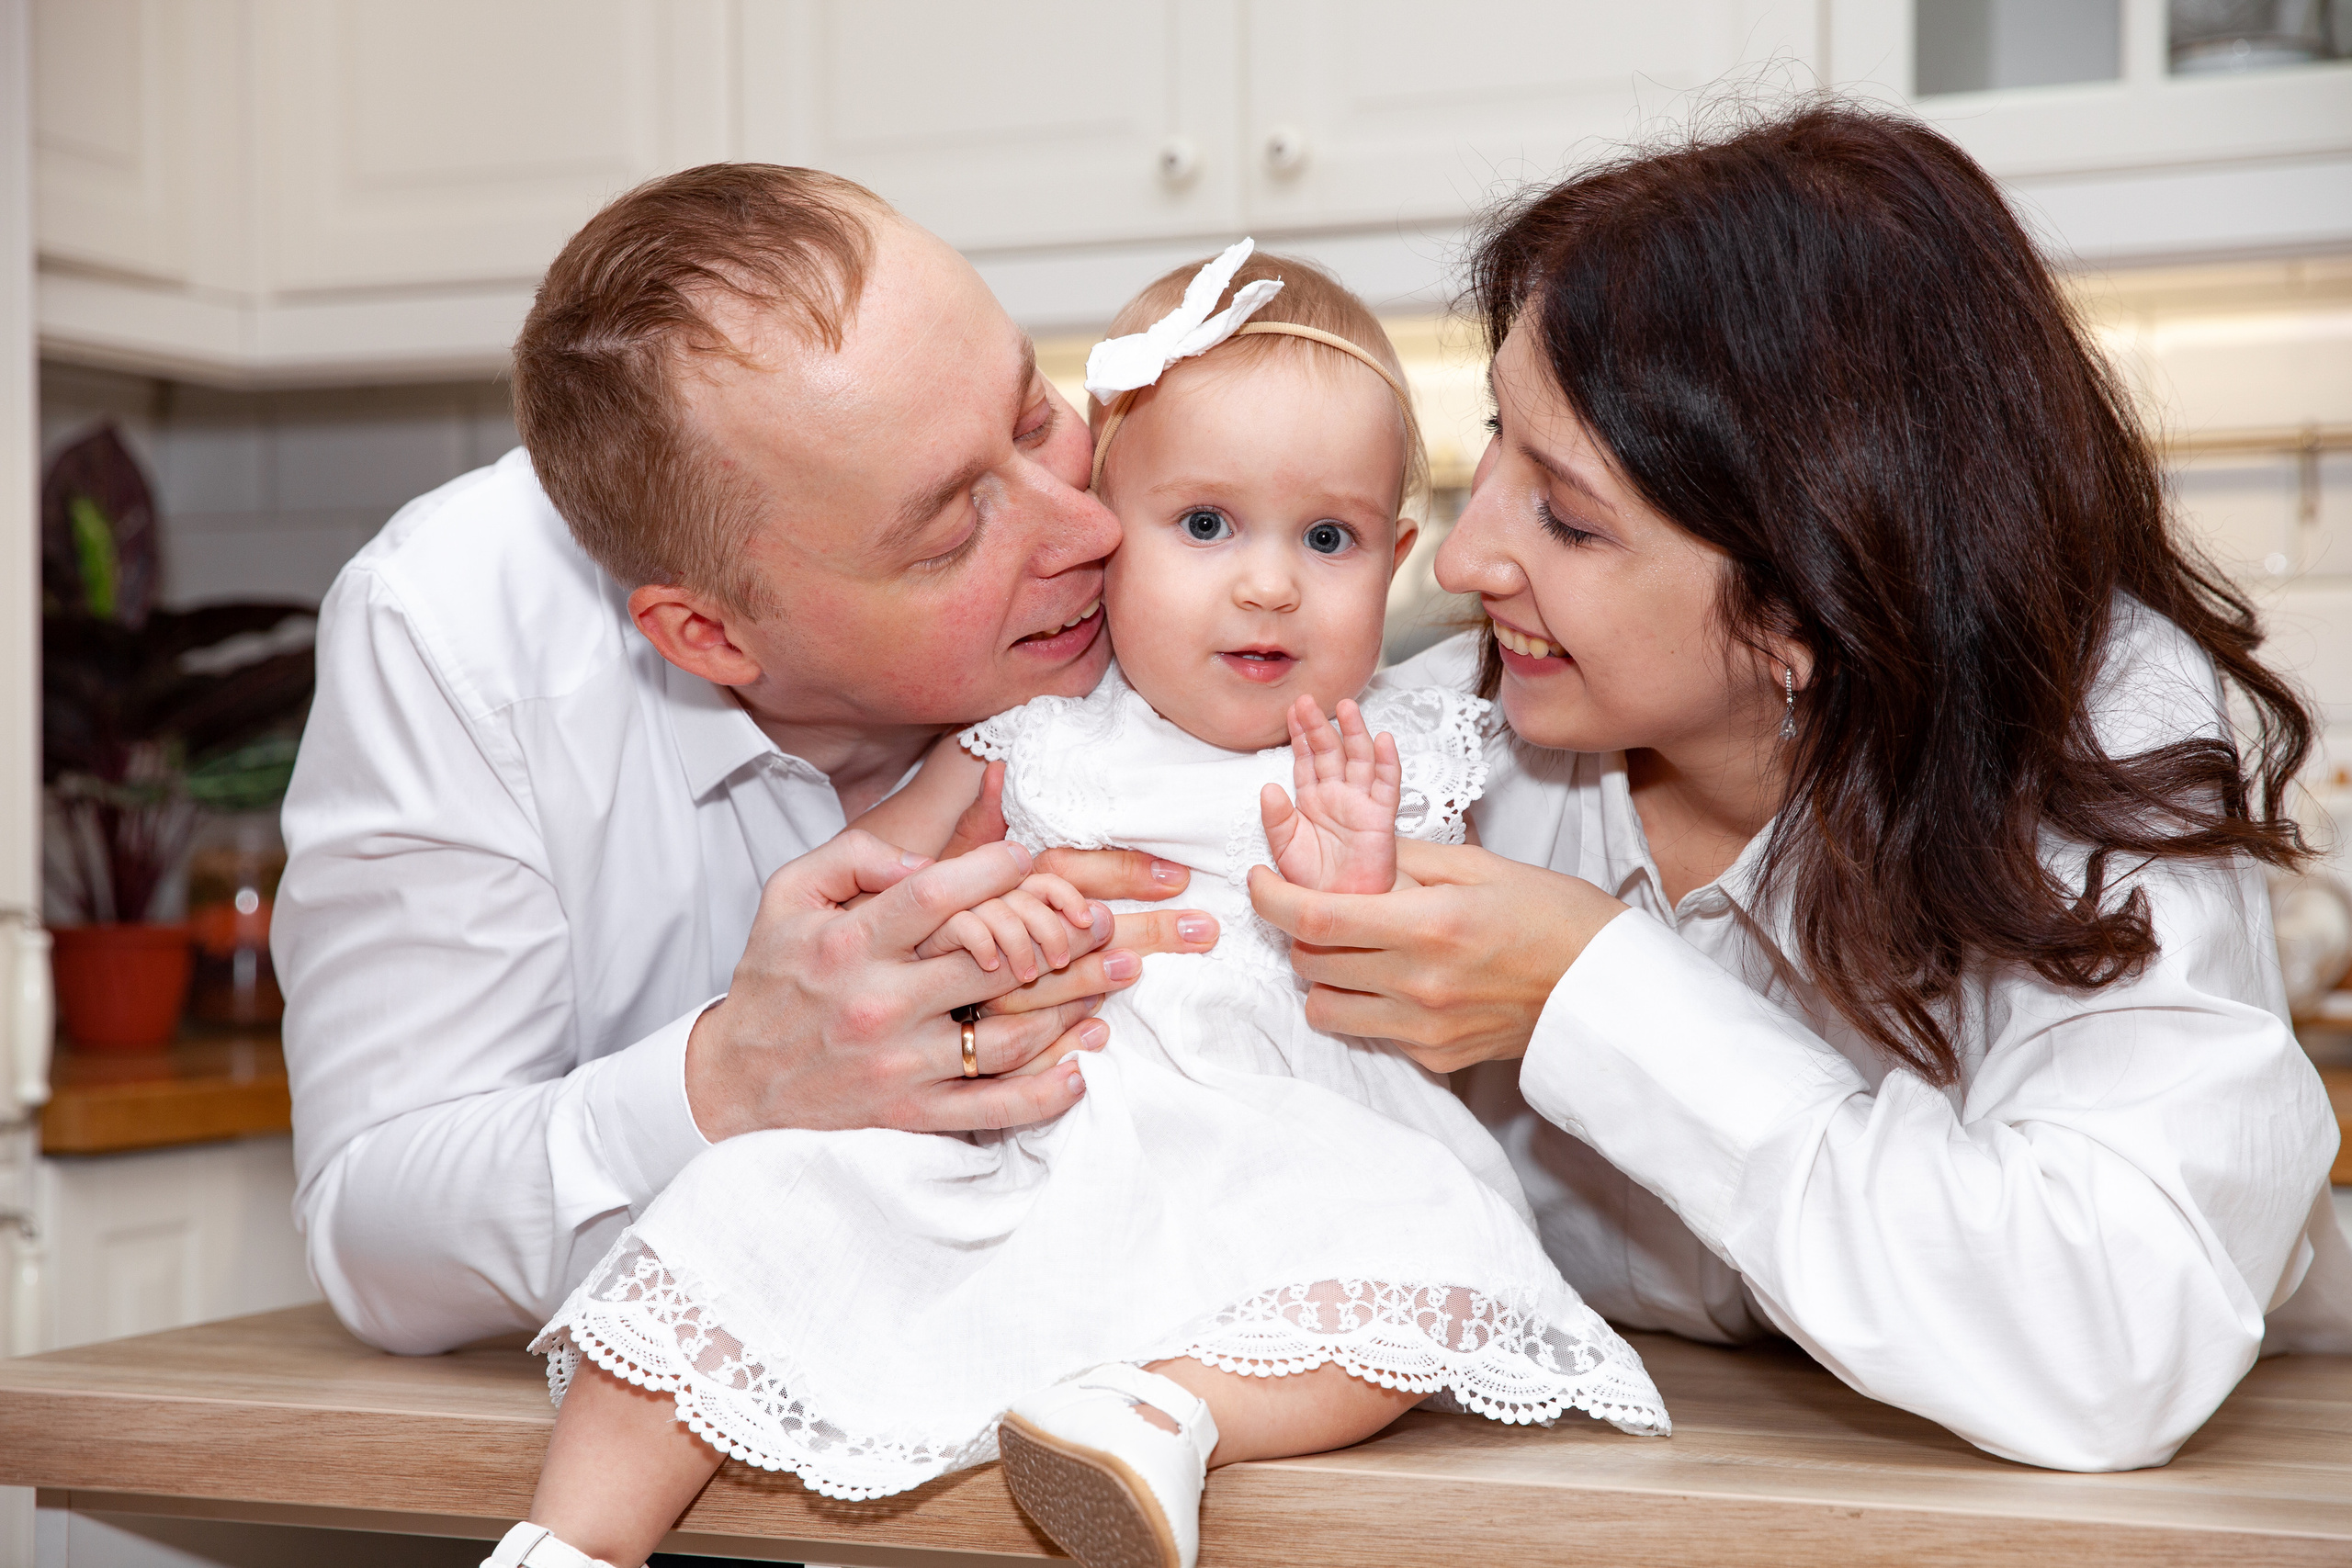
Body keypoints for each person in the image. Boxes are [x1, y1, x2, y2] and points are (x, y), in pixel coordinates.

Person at [481, 244, 1667, 1568]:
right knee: (742, 1214)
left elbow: (1446, 997)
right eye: (1205, 526)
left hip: (1279, 1152)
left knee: (1432, 1254)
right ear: (1105, 527)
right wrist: (972, 921)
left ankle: (1162, 1411)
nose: (1269, 583)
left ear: (1396, 558)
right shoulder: (1039, 729)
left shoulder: (1408, 751)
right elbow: (861, 910)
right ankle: (569, 1544)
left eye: (1326, 538)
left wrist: (1352, 893)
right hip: (1027, 1128)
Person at [1244, 104, 2352, 1474]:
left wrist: (1588, 988)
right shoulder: (1430, 744)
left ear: (1810, 602)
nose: (1461, 562)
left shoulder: (2093, 726)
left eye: (1568, 517)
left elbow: (2114, 1339)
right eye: (1496, 444)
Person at [275, 166, 1227, 1358]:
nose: (1090, 528)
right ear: (708, 636)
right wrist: (727, 1084)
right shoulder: (459, 633)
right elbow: (373, 1233)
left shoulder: (1181, 553)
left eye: (1034, 416)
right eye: (951, 532)